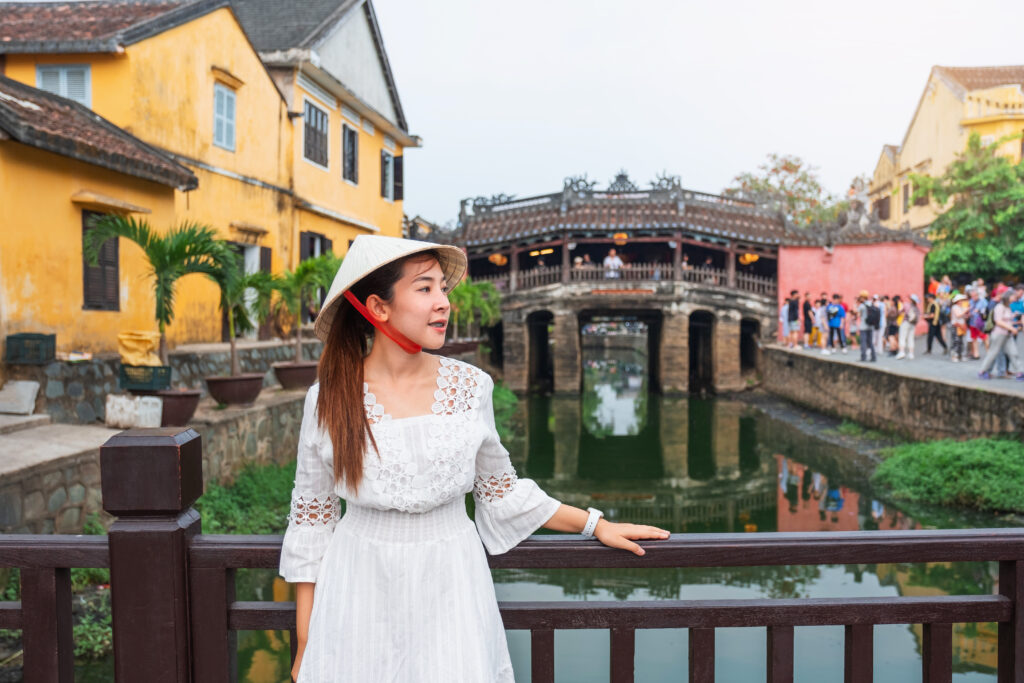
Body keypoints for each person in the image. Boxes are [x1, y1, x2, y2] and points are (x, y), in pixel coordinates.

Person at [279, 235, 670, 682]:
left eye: (443, 289)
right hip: (358, 583)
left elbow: (500, 493)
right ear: (378, 307)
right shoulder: (329, 397)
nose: (443, 302)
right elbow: (312, 519)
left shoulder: (471, 387)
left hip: (452, 582)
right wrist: (308, 639)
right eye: (425, 288)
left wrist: (595, 524)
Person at [978, 289, 1024, 380]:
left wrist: (1015, 323)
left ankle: (1020, 371)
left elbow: (1007, 321)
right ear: (1008, 297)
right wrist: (1011, 328)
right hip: (999, 334)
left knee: (1013, 353)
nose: (1015, 298)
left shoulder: (1008, 307)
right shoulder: (999, 307)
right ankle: (983, 371)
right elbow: (998, 321)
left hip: (1007, 334)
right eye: (1013, 296)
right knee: (993, 353)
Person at [856, 290, 878, 362]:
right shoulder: (871, 304)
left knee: (863, 342)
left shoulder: (862, 306)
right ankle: (873, 357)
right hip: (870, 326)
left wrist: (856, 307)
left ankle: (863, 357)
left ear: (862, 297)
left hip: (863, 326)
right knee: (870, 342)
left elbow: (858, 315)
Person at [897, 293, 920, 359]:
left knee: (902, 337)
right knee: (910, 338)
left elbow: (900, 311)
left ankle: (902, 352)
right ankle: (911, 353)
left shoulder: (906, 305)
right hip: (913, 324)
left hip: (906, 322)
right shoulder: (916, 307)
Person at [950, 293, 969, 362]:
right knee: (956, 341)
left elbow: (963, 316)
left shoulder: (961, 307)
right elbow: (958, 315)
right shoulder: (954, 307)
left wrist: (966, 315)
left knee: (961, 342)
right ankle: (954, 356)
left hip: (961, 326)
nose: (961, 301)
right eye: (960, 300)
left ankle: (961, 355)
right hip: (956, 326)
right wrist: (965, 311)